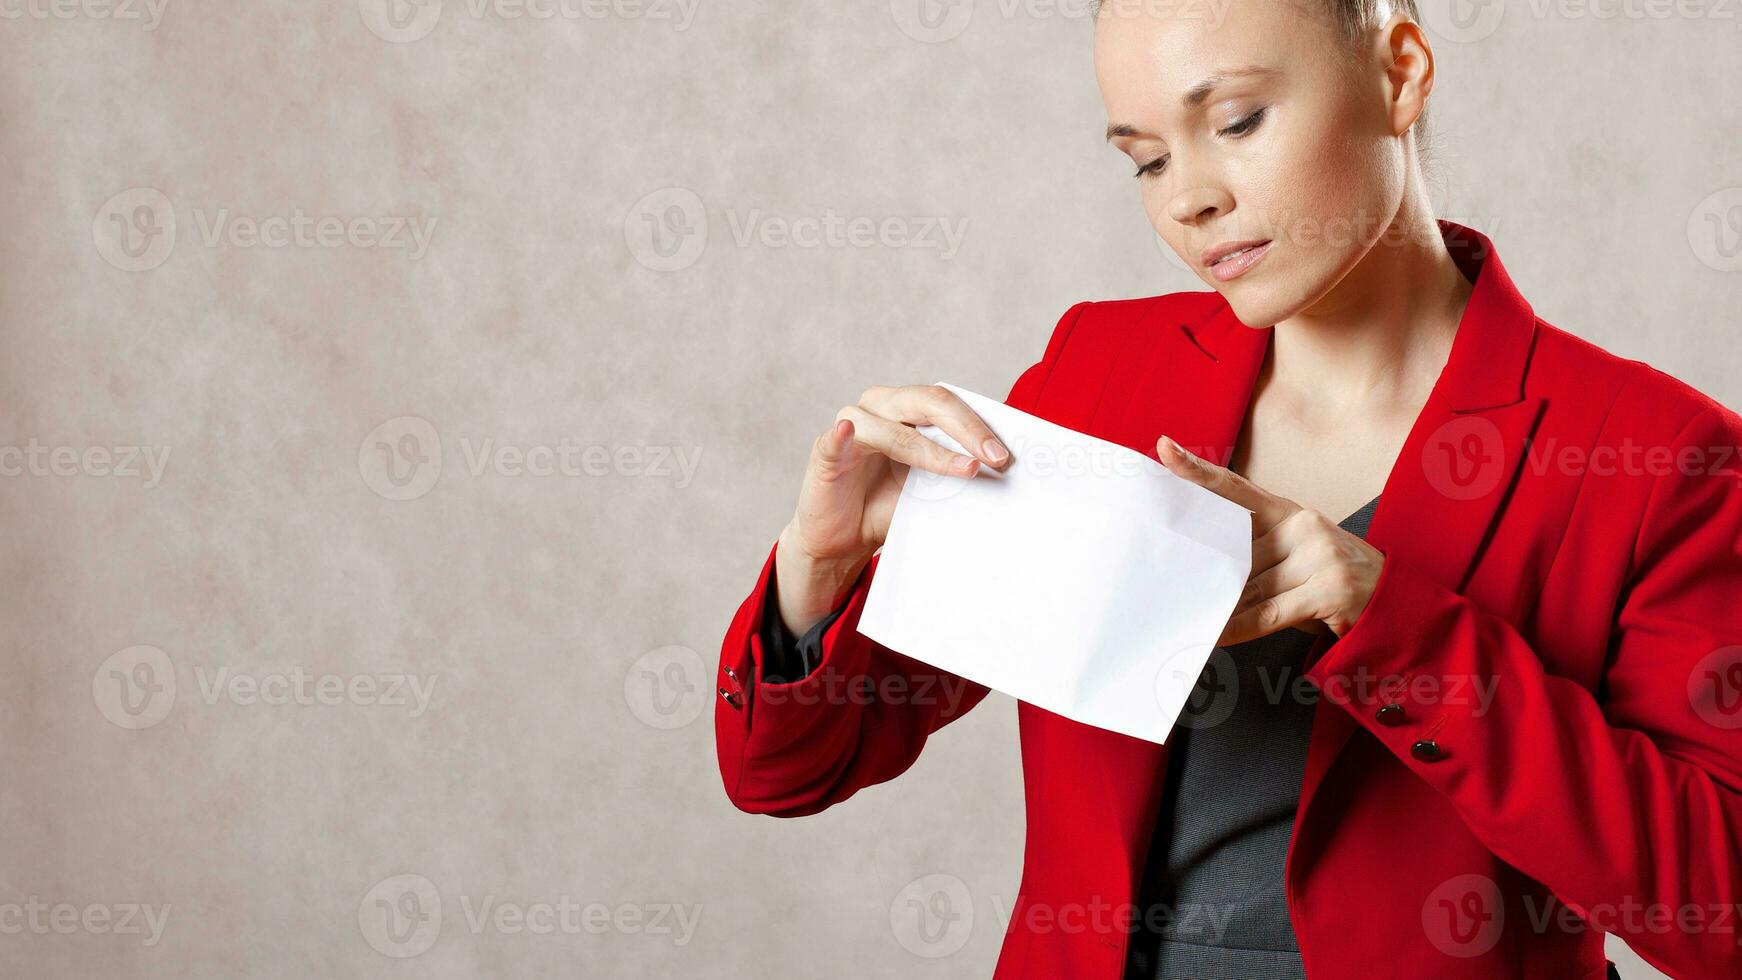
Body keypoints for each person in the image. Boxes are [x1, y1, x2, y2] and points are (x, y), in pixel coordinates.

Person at [713, 1, 1742, 977]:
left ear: (1399, 74)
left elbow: (1720, 909)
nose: (1185, 196)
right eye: (1145, 159)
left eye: (1237, 121)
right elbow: (789, 769)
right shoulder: (1095, 377)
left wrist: (1400, 627)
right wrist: (817, 571)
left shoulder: (1655, 455)